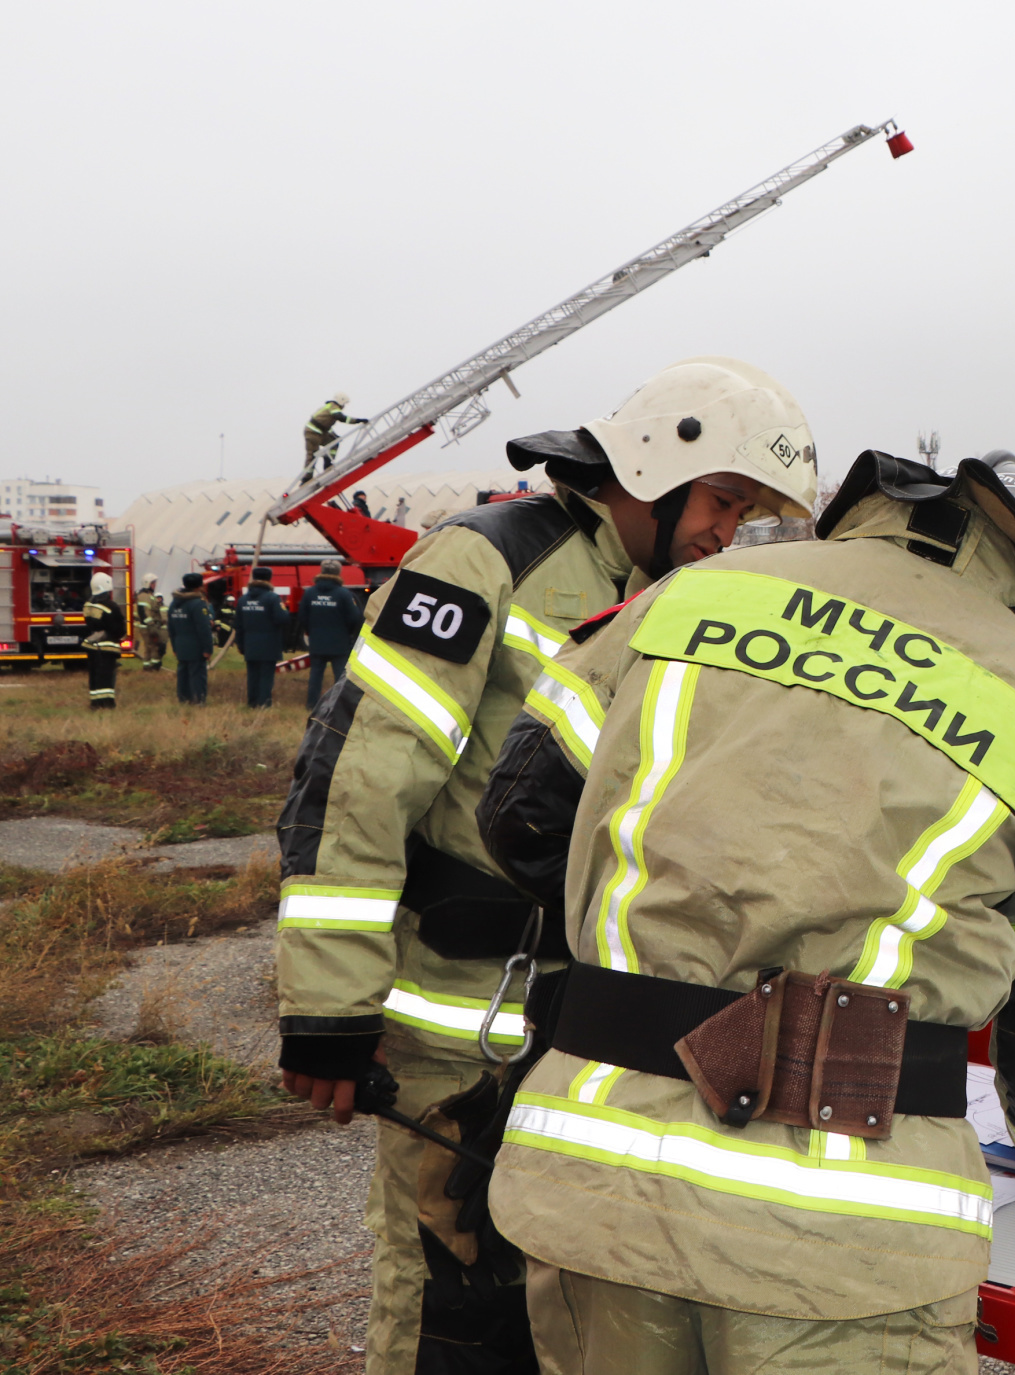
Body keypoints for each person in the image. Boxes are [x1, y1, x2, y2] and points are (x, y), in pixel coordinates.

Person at [474, 449, 1015, 1375]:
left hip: (596, 1187)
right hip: (846, 1246)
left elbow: (520, 813)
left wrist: (665, 960)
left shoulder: (687, 597)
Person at [274, 357, 820, 1375]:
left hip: (595, 1015)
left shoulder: (684, 598)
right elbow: (356, 785)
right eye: (724, 501)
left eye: (744, 515)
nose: (725, 532)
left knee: (570, 1287)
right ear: (659, 461)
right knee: (449, 1292)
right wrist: (329, 1009)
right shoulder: (484, 561)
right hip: (457, 1016)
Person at [301, 559, 363, 710]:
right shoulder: (343, 594)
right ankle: (338, 706)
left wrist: (311, 632)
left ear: (321, 571)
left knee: (315, 676)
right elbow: (355, 618)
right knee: (340, 677)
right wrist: (347, 633)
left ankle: (312, 704)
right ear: (338, 573)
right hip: (339, 643)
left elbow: (302, 618)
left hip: (317, 642)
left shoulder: (310, 593)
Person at [234, 568, 291, 708]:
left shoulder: (243, 600)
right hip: (269, 643)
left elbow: (238, 625)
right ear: (269, 579)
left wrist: (241, 645)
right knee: (266, 675)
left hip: (250, 644)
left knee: (252, 674)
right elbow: (282, 618)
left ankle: (252, 702)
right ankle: (264, 703)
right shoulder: (272, 598)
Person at [167, 573, 214, 705]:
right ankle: (198, 700)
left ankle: (183, 699)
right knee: (197, 675)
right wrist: (207, 649)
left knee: (183, 674)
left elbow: (171, 627)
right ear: (199, 587)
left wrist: (175, 647)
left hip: (180, 645)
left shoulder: (174, 603)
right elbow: (203, 628)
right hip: (196, 646)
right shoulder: (198, 604)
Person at [81, 571, 122, 709]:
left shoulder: (87, 605)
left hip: (91, 646)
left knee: (94, 675)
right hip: (107, 647)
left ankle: (95, 703)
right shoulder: (111, 606)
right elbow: (119, 629)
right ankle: (107, 703)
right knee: (106, 676)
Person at [304, 393, 368, 476]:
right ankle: (307, 477)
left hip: (320, 432)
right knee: (312, 454)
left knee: (334, 443)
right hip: (312, 433)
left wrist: (334, 435)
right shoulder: (333, 407)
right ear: (341, 401)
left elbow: (326, 426)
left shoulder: (330, 407)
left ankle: (328, 462)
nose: (344, 406)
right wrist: (358, 420)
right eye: (344, 404)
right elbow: (341, 418)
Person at [134, 573, 168, 670]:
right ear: (147, 583)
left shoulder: (148, 595)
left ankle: (148, 667)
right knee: (153, 647)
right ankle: (154, 667)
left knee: (150, 647)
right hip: (148, 626)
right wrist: (152, 625)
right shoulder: (144, 596)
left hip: (150, 625)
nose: (155, 585)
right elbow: (144, 613)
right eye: (153, 583)